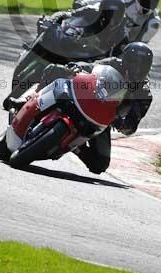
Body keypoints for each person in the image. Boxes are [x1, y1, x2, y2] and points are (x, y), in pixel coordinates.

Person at [34, 42, 154, 174]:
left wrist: (120, 122)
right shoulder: (113, 63)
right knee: (54, 69)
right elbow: (91, 66)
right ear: (125, 59)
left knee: (99, 164)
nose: (137, 69)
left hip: (103, 119)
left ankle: (75, 146)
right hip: (84, 97)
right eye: (134, 62)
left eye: (142, 65)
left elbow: (131, 126)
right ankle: (32, 99)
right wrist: (76, 67)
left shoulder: (143, 93)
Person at [71, 0, 161, 44]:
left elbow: (139, 44)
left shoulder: (153, 23)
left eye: (152, 2)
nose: (147, 5)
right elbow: (106, 1)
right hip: (106, 31)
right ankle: (72, 31)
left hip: (122, 48)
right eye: (145, 0)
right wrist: (86, 1)